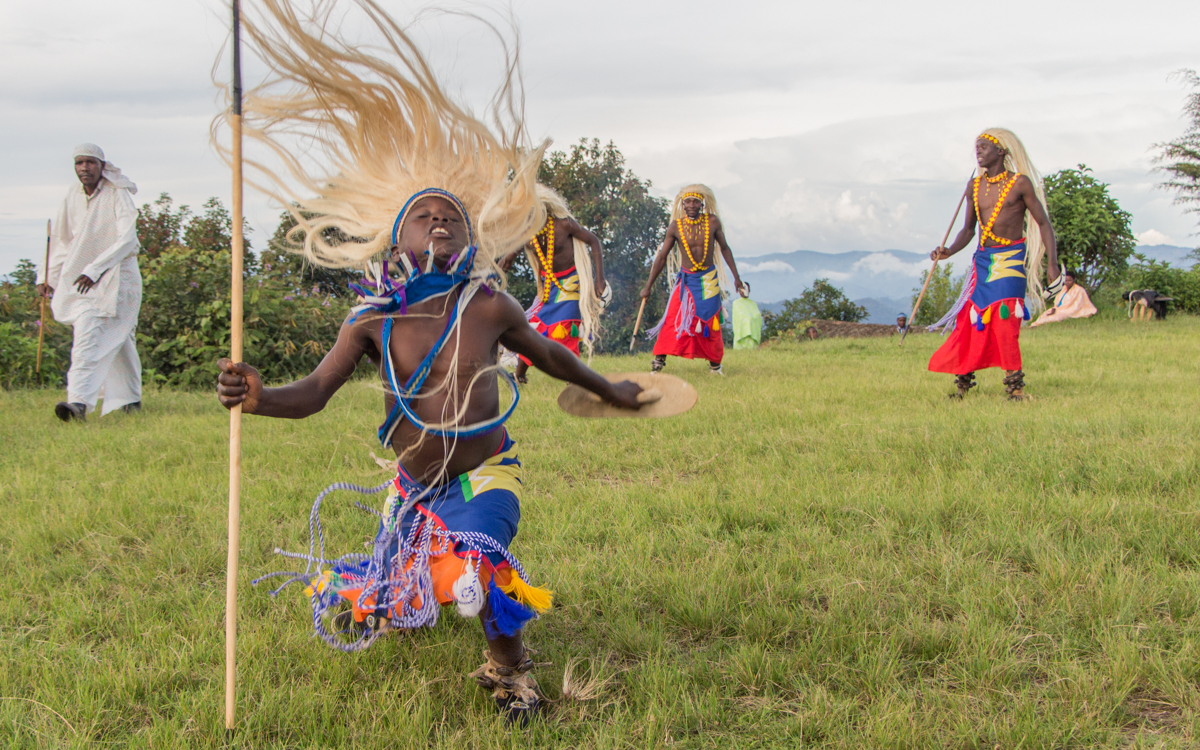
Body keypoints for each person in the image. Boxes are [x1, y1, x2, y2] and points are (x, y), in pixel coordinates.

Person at [213, 1, 641, 725]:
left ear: (471, 236)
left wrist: (612, 389)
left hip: (484, 470)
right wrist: (258, 396)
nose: (441, 218)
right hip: (412, 483)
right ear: (397, 238)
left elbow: (553, 356)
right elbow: (315, 391)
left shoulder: (491, 307)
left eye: (453, 214)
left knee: (478, 564)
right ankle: (382, 598)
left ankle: (509, 673)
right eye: (425, 214)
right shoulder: (373, 318)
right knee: (391, 588)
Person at [926, 129, 1060, 400]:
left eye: (984, 147)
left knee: (1004, 319)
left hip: (1010, 259)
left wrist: (1052, 264)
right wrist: (949, 250)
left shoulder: (1020, 184)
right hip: (983, 261)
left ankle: (1015, 387)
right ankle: (962, 384)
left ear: (1001, 152)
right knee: (969, 320)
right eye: (977, 147)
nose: (978, 152)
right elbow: (968, 230)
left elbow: (1044, 223)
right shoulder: (974, 186)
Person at [37, 144, 142, 422]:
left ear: (101, 165)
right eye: (79, 163)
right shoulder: (72, 195)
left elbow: (127, 239)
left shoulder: (117, 193)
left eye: (90, 162)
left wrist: (95, 269)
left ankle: (79, 403)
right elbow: (62, 240)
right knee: (118, 339)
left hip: (118, 278)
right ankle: (131, 400)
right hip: (82, 279)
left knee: (89, 335)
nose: (84, 168)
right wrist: (48, 276)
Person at [499, 186, 610, 384]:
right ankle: (520, 375)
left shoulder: (564, 225)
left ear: (544, 209)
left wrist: (599, 279)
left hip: (570, 285)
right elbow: (510, 256)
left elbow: (593, 241)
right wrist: (503, 265)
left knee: (565, 329)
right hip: (547, 288)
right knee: (532, 331)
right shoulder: (527, 233)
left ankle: (574, 379)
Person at [641, 185, 748, 375]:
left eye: (695, 201)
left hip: (708, 280)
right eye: (688, 201)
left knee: (710, 321)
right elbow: (662, 257)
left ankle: (715, 366)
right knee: (673, 317)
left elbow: (724, 248)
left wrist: (737, 278)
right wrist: (648, 286)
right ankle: (658, 362)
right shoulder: (676, 226)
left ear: (702, 204)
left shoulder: (713, 222)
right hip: (687, 281)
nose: (691, 205)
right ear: (682, 205)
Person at [1030, 271, 1096, 327]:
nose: (1067, 282)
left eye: (1070, 280)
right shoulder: (1063, 289)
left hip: (1067, 311)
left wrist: (1064, 310)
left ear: (1073, 280)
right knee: (1045, 315)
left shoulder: (1079, 290)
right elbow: (1056, 301)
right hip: (1058, 309)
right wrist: (1053, 309)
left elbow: (1078, 304)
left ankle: (1040, 325)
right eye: (1066, 280)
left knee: (1056, 317)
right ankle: (1034, 325)